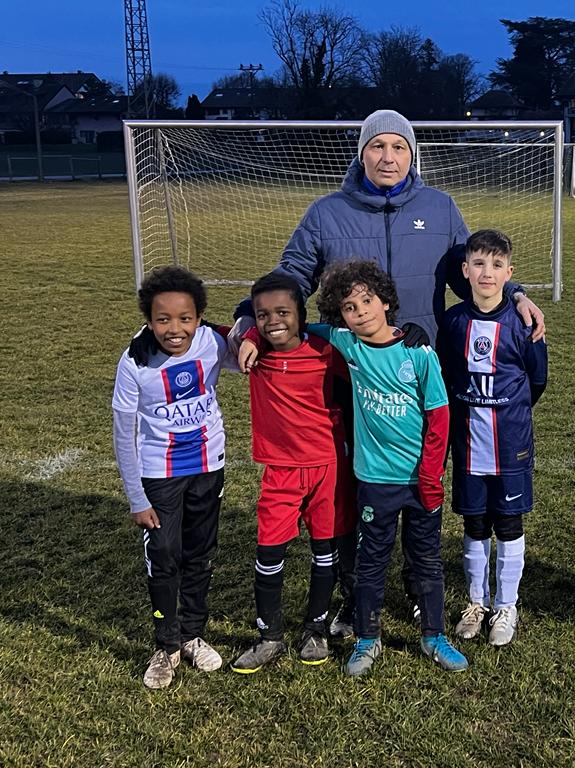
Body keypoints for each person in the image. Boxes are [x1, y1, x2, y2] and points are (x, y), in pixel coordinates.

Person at [229, 108, 546, 636]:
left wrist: (515, 293)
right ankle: (357, 591)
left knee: (422, 484)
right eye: (378, 147)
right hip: (348, 379)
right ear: (361, 152)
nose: (388, 157)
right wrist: (249, 317)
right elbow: (290, 276)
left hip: (422, 377)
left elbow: (473, 270)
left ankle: (422, 591)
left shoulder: (440, 208)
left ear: (413, 154)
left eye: (399, 147)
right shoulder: (327, 213)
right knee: (356, 487)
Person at [242, 260, 467, 675]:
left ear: (386, 302)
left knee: (428, 561)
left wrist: (431, 476)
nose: (360, 311)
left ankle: (434, 636)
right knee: (371, 563)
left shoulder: (418, 353)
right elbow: (293, 327)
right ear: (339, 314)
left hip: (420, 482)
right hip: (375, 481)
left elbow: (439, 417)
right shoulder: (348, 344)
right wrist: (254, 332)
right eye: (349, 306)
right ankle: (367, 638)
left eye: (367, 301)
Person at [112, 267, 234, 689]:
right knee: (164, 553)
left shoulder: (213, 341)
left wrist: (249, 331)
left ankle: (192, 634)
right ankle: (164, 645)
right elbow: (123, 431)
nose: (175, 328)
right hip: (158, 472)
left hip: (207, 465)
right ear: (148, 320)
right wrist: (135, 497)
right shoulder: (135, 360)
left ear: (199, 317)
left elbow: (250, 342)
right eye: (163, 319)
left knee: (200, 552)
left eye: (185, 318)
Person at [230, 273, 356, 674]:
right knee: (269, 551)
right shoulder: (255, 352)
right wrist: (249, 333)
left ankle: (315, 628)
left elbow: (373, 352)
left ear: (301, 315)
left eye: (283, 312)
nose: (273, 321)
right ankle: (269, 636)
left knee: (324, 551)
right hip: (280, 471)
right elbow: (203, 328)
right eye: (263, 315)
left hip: (328, 467)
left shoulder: (328, 352)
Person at [437, 230, 548, 647]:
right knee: (475, 522)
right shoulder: (453, 321)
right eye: (479, 264)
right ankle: (476, 602)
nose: (487, 272)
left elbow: (537, 380)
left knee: (509, 523)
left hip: (510, 444)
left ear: (509, 273)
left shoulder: (523, 322)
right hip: (467, 443)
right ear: (465, 270)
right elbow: (447, 376)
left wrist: (507, 409)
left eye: (496, 265)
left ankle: (507, 605)